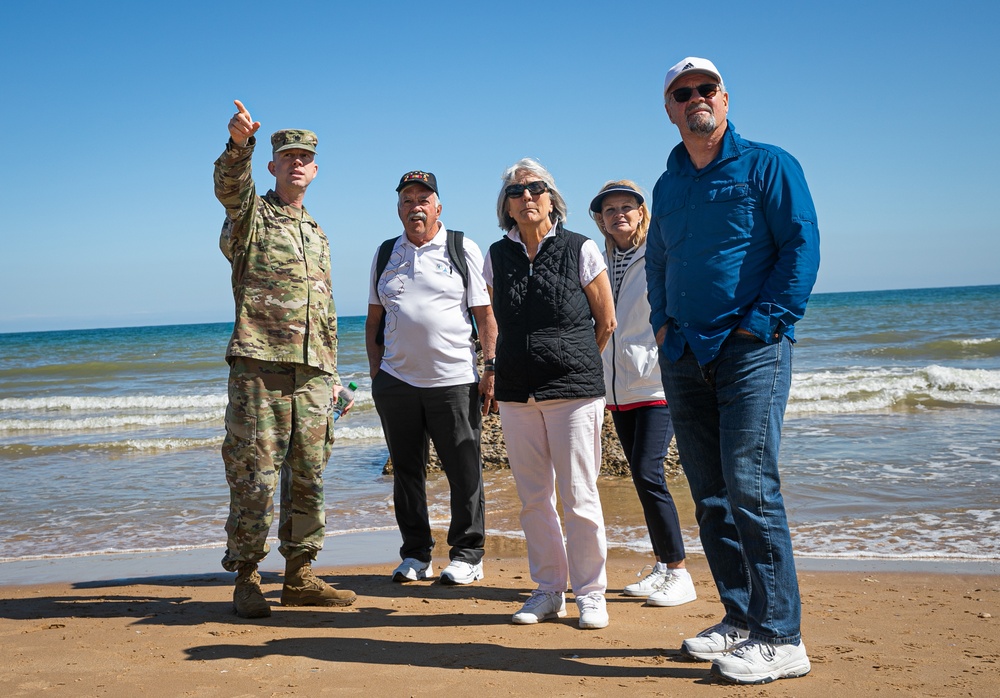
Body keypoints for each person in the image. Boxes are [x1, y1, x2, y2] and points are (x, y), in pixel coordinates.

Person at [646, 57, 820, 683]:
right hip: (685, 354)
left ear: (724, 98)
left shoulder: (769, 164)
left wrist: (764, 322)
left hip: (752, 351)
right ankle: (743, 620)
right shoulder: (667, 185)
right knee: (711, 494)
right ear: (669, 108)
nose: (696, 98)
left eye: (706, 89)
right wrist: (663, 324)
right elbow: (658, 260)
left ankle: (783, 637)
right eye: (682, 92)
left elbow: (801, 244)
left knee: (751, 484)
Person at [214, 100, 356, 618]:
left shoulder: (317, 233)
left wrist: (335, 376)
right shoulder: (251, 214)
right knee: (254, 473)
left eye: (305, 158)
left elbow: (325, 311)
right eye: (286, 156)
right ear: (272, 166)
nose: (296, 163)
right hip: (260, 367)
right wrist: (238, 147)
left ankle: (299, 575)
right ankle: (248, 576)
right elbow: (231, 187)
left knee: (310, 474)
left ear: (315, 170)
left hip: (314, 373)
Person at [484, 158, 617, 630]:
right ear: (507, 206)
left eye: (535, 188)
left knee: (580, 495)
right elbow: (494, 320)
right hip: (518, 393)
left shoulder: (581, 248)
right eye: (517, 192)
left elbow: (606, 322)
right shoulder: (496, 256)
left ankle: (591, 593)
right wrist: (496, 369)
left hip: (574, 391)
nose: (527, 197)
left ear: (551, 197)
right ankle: (547, 590)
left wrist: (570, 361)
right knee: (533, 498)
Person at [365, 171, 497, 586]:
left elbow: (486, 315)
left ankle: (468, 555)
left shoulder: (462, 247)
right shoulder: (387, 252)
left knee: (464, 470)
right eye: (407, 200)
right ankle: (416, 555)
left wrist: (490, 368)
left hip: (454, 380)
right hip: (397, 383)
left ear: (438, 207)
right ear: (398, 208)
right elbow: (373, 321)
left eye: (424, 199)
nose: (415, 206)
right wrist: (377, 374)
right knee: (407, 472)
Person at [588, 180, 696, 608]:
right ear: (600, 218)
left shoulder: (658, 251)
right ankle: (663, 565)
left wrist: (669, 355)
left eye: (626, 207)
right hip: (617, 387)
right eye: (609, 209)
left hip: (654, 383)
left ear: (640, 211)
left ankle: (680, 572)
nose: (618, 214)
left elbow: (677, 304)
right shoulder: (600, 258)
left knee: (650, 474)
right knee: (640, 476)